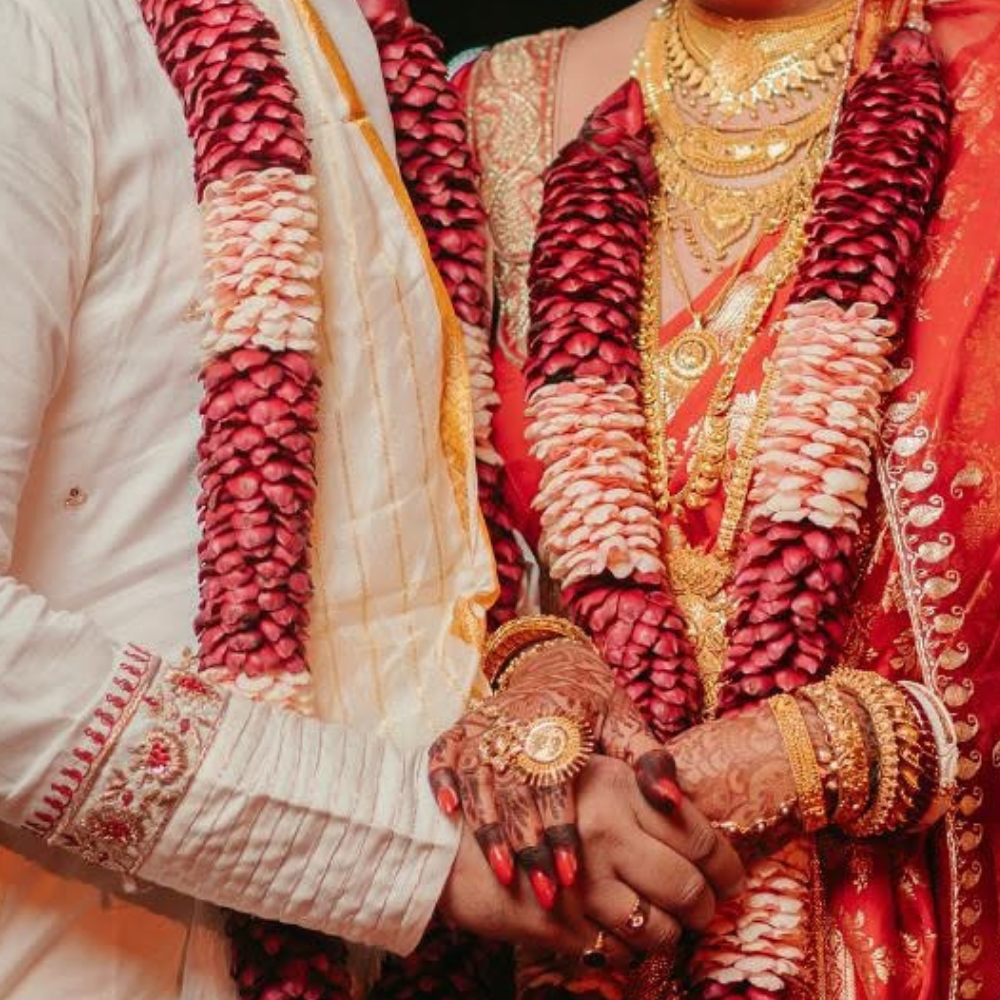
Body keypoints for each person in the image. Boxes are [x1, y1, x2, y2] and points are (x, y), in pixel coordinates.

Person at [0, 1, 746, 999]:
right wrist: (418, 846)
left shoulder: (354, 37)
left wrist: (537, 663)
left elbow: (402, 516)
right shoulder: (38, 39)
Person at [445, 0, 999, 996]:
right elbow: (411, 559)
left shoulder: (984, 82)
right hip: (579, 925)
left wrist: (841, 745)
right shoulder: (491, 114)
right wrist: (538, 668)